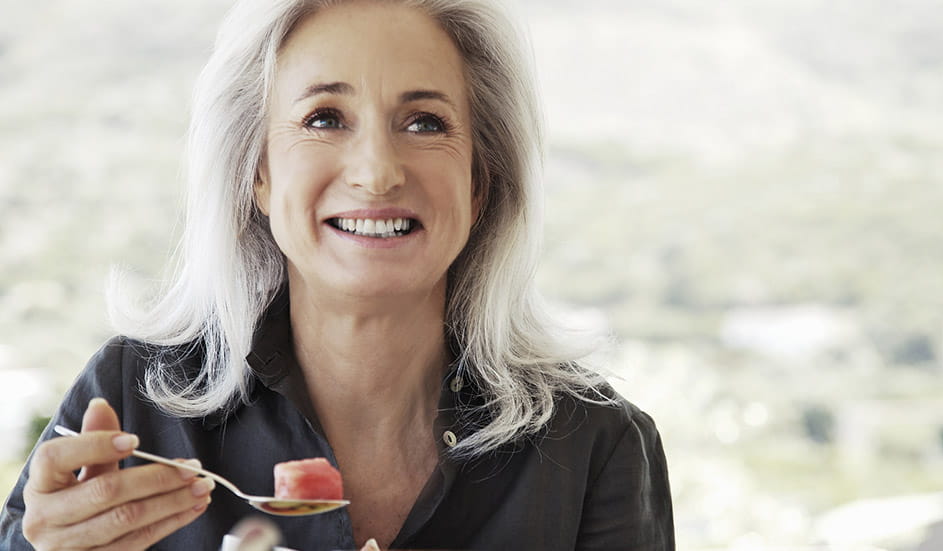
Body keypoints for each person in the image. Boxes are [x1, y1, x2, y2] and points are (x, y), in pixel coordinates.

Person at [0, 0, 674, 549]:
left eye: (425, 122)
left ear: (479, 186)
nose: (377, 171)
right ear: (258, 172)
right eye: (324, 118)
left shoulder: (597, 446)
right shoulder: (132, 402)